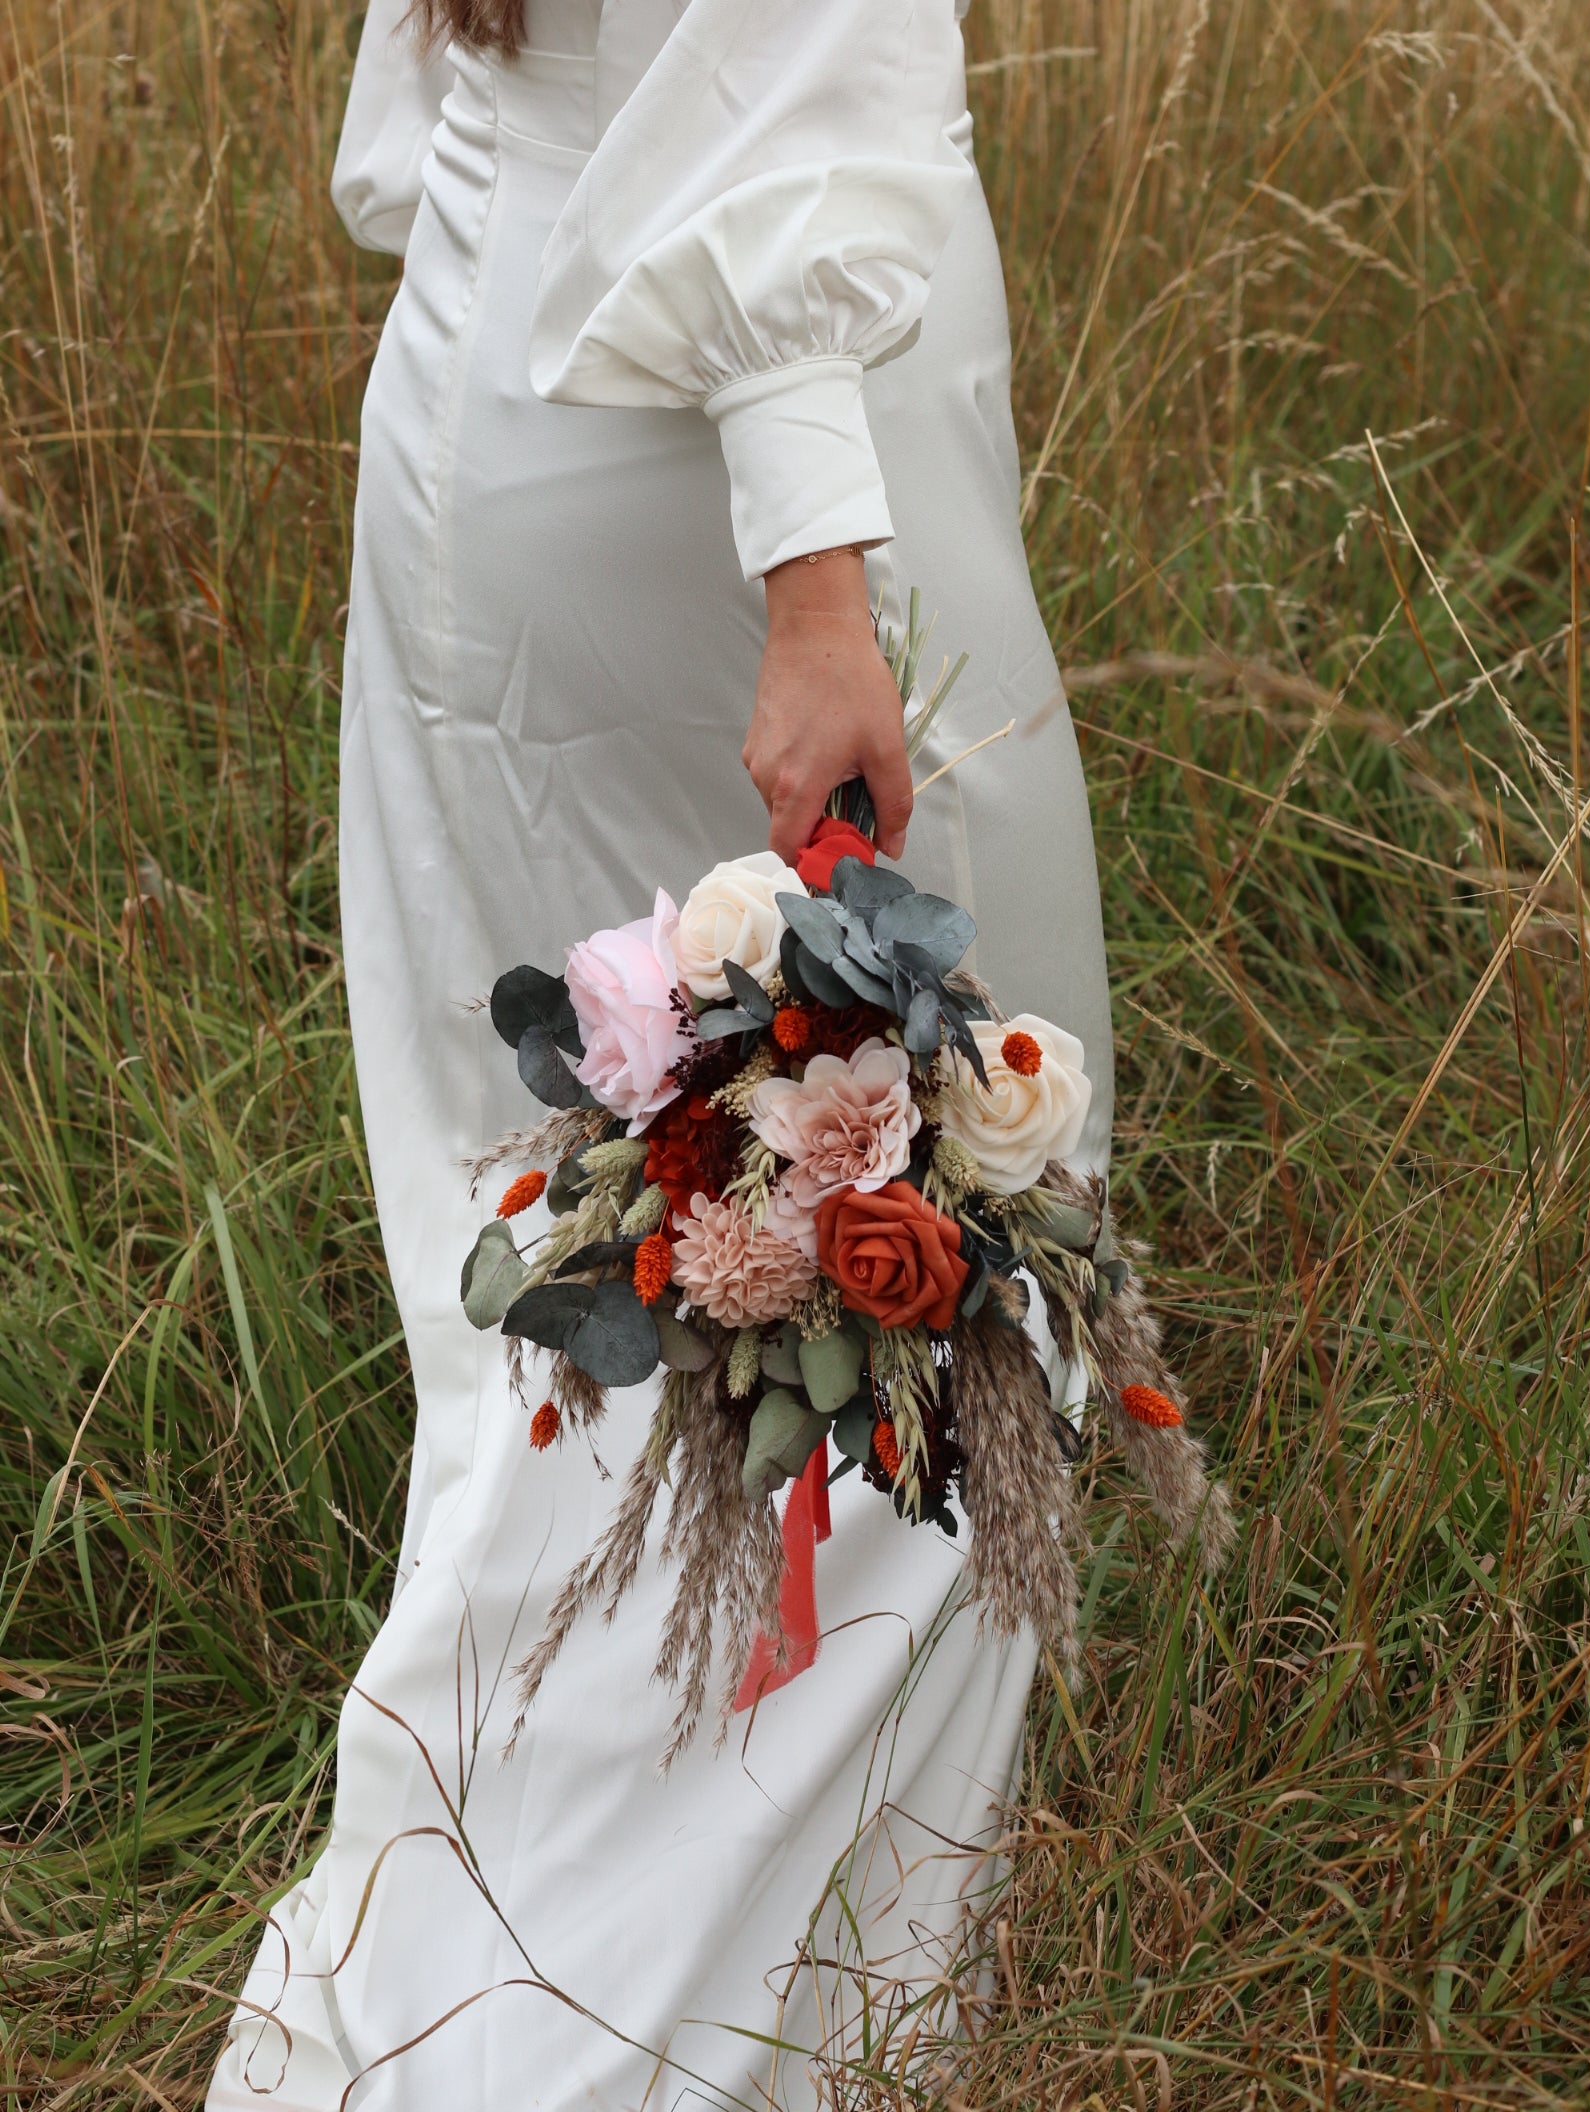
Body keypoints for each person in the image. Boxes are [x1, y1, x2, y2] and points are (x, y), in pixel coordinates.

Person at [208, 1, 1112, 2105]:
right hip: (727, 459)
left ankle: (508, 1782)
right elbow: (783, 83)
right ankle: (674, 1974)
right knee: (901, 1136)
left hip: (488, 344)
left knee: (578, 1169)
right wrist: (816, 595)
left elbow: (437, 113)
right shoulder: (781, 479)